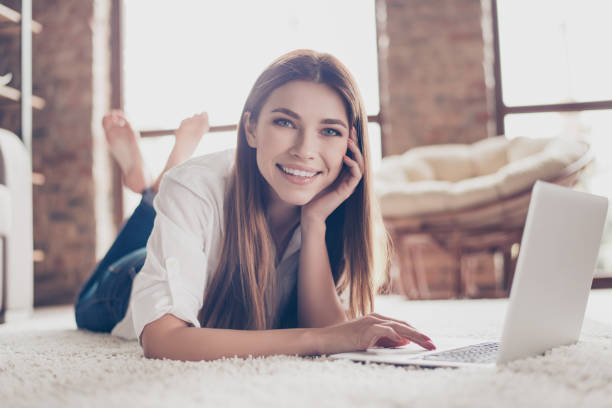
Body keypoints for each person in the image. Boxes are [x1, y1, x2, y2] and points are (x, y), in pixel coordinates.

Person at [74, 49, 436, 362]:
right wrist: (319, 340)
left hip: (188, 219)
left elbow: (326, 327)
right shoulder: (195, 187)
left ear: (350, 146)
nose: (305, 150)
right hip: (126, 282)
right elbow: (162, 339)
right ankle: (152, 193)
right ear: (250, 128)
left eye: (330, 131)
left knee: (172, 194)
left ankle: (156, 190)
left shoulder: (329, 207)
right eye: (284, 122)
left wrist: (314, 224)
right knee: (86, 306)